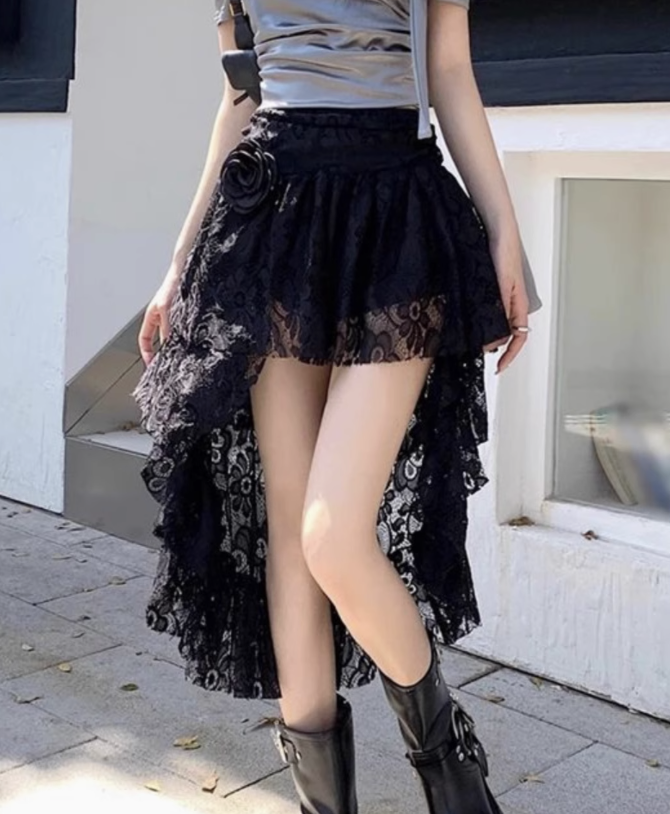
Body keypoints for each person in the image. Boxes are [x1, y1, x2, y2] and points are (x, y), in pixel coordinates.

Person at [131, 1, 542, 812]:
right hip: (276, 220)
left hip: (395, 219)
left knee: (332, 537)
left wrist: (504, 232)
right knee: (290, 537)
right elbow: (240, 96)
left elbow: (447, 72)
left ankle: (454, 776)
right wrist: (179, 263)